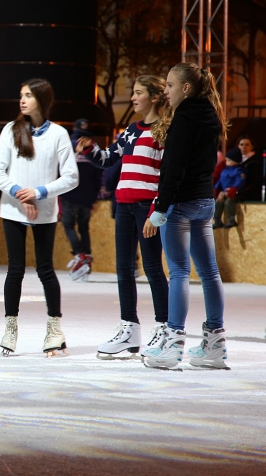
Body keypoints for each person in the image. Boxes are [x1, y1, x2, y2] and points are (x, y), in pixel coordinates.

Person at [76, 76, 171, 359]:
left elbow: (167, 175)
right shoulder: (130, 130)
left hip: (147, 208)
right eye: (133, 92)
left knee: (152, 268)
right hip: (124, 206)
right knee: (124, 269)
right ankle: (129, 328)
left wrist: (156, 211)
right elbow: (107, 158)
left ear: (155, 97)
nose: (133, 98)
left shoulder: (165, 130)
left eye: (138, 93)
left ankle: (165, 328)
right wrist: (90, 149)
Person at [142, 62, 228, 370]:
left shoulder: (183, 119)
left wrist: (159, 209)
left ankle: (173, 342)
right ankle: (215, 345)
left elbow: (173, 169)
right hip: (204, 201)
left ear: (186, 88)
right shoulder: (211, 116)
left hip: (179, 204)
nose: (166, 91)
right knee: (210, 273)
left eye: (169, 85)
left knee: (178, 271)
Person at [0, 78, 78, 357]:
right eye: (21, 95)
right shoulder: (11, 130)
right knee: (15, 269)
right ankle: (10, 327)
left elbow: (71, 177)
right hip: (13, 209)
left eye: (28, 95)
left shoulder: (58, 134)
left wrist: (38, 192)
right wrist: (19, 193)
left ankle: (54, 329)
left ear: (42, 99)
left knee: (45, 269)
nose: (22, 100)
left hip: (45, 211)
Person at [61, 118, 102, 281]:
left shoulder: (69, 146)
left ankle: (80, 255)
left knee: (68, 225)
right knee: (84, 227)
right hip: (87, 196)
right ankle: (87, 256)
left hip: (70, 194)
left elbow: (60, 169)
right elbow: (99, 172)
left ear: (74, 128)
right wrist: (95, 196)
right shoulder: (92, 147)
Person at [212, 148, 246, 229]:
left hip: (234, 193)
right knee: (218, 203)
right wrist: (216, 189)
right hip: (224, 192)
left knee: (228, 202)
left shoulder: (239, 171)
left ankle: (231, 219)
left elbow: (240, 181)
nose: (226, 162)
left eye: (229, 160)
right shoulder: (224, 170)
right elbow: (220, 181)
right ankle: (217, 220)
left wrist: (233, 189)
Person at [236, 135, 263, 202]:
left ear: (252, 147)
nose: (244, 147)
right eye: (241, 145)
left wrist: (239, 192)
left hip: (249, 196)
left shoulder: (255, 162)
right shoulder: (234, 161)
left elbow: (255, 183)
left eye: (247, 145)